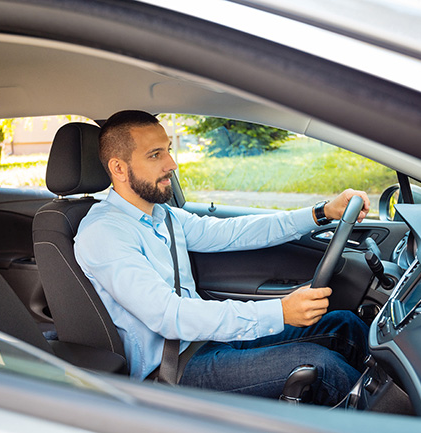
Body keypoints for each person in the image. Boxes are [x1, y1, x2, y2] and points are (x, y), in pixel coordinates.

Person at [74, 110, 370, 405]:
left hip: (206, 341)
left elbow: (235, 232)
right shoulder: (103, 233)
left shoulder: (162, 216)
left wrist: (321, 213)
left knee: (343, 325)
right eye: (155, 155)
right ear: (119, 168)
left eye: (168, 151)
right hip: (172, 371)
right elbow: (170, 316)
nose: (171, 164)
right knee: (319, 365)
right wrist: (278, 312)